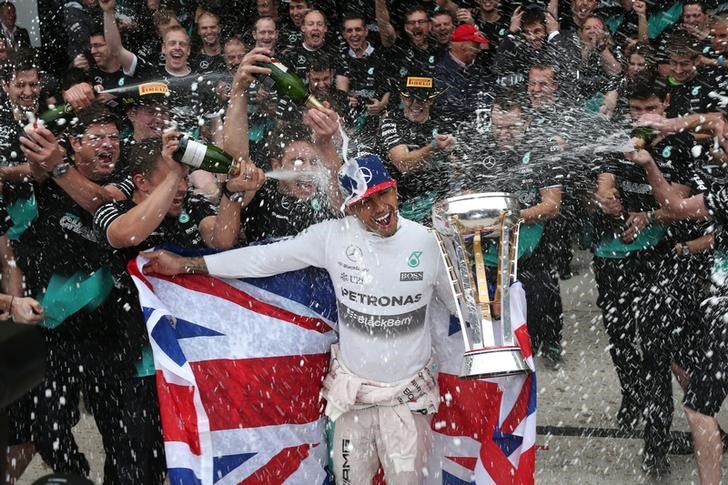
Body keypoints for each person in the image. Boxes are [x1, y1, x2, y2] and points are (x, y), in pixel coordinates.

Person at [141, 153, 456, 485]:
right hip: (353, 400)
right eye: (366, 202)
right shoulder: (333, 236)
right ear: (350, 207)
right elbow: (264, 259)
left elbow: (462, 309)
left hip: (407, 401)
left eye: (384, 194)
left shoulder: (429, 242)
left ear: (395, 190)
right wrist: (187, 266)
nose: (380, 209)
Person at [380, 74, 455, 224]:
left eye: (421, 100)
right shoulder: (391, 121)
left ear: (432, 100)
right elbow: (403, 164)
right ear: (401, 98)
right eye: (409, 99)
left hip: (440, 207)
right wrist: (433, 147)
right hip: (404, 211)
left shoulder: (444, 120)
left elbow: (458, 165)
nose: (415, 105)